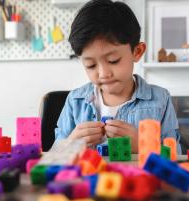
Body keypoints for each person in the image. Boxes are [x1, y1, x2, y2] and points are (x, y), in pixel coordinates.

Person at [55, 0, 180, 153]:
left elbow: (176, 155)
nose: (103, 74)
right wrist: (72, 144)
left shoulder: (160, 100)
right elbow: (55, 156)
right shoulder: (75, 102)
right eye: (91, 65)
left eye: (113, 61)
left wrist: (143, 146)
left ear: (137, 51)